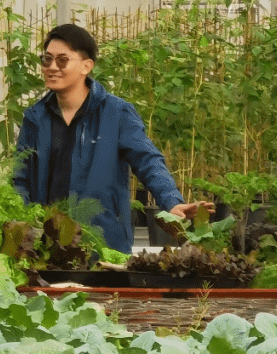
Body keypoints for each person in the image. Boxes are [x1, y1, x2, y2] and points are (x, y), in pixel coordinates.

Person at [12, 23, 213, 253]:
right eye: (46, 59)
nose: (52, 67)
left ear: (86, 65)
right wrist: (25, 226)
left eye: (62, 60)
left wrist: (172, 201)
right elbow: (21, 179)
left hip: (103, 244)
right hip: (46, 245)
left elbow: (147, 160)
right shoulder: (35, 118)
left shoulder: (115, 113)